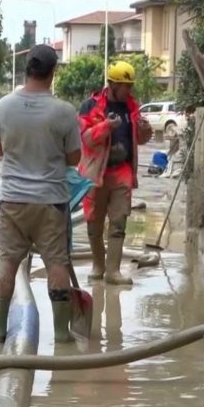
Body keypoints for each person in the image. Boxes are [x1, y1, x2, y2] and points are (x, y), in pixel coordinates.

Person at [0, 44, 82, 343]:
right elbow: (74, 159)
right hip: (50, 203)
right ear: (53, 73)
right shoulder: (64, 112)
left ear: (27, 69)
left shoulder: (3, 106)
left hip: (12, 201)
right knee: (56, 263)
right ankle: (62, 335)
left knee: (7, 261)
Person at [77, 61, 153, 285]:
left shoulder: (132, 106)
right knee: (94, 224)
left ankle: (113, 271)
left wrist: (143, 129)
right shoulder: (90, 106)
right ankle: (98, 266)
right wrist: (106, 127)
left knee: (119, 222)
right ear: (112, 84)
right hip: (95, 173)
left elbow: (140, 139)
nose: (129, 90)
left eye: (130, 86)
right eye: (125, 86)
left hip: (122, 172)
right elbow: (85, 138)